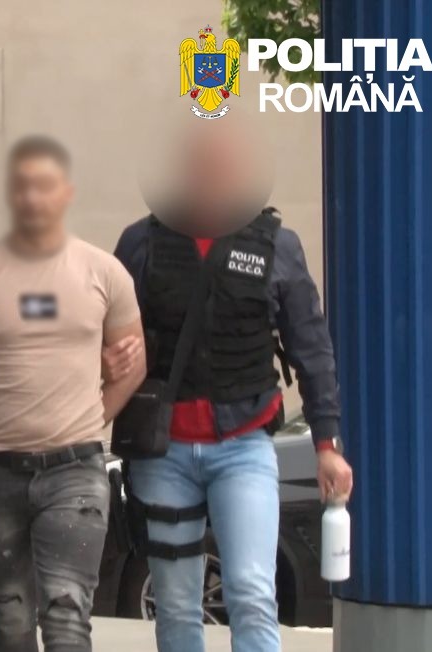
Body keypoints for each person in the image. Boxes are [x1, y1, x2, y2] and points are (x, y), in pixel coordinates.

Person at [108, 122, 354, 652]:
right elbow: (105, 336)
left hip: (244, 447)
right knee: (177, 604)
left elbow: (312, 349)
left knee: (252, 592)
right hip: (162, 455)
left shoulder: (276, 245)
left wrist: (327, 444)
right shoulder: (140, 243)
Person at [0, 135, 146, 652]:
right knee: (10, 616)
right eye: (21, 186)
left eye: (44, 186)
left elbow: (132, 365)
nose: (32, 197)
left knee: (67, 617)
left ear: (65, 193)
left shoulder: (104, 273)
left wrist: (93, 418)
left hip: (74, 473)